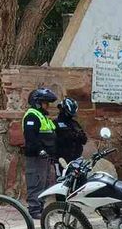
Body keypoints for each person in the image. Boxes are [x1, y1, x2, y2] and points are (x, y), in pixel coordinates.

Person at [22, 87, 58, 220]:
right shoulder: (32, 116)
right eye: (45, 102)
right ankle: (34, 209)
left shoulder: (43, 116)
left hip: (45, 157)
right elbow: (31, 137)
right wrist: (40, 150)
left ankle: (40, 207)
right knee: (36, 181)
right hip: (36, 156)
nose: (47, 105)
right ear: (37, 102)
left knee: (45, 183)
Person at [54, 98, 87, 163]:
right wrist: (70, 136)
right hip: (61, 160)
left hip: (76, 159)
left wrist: (79, 136)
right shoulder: (55, 123)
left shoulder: (75, 123)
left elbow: (84, 140)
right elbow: (54, 141)